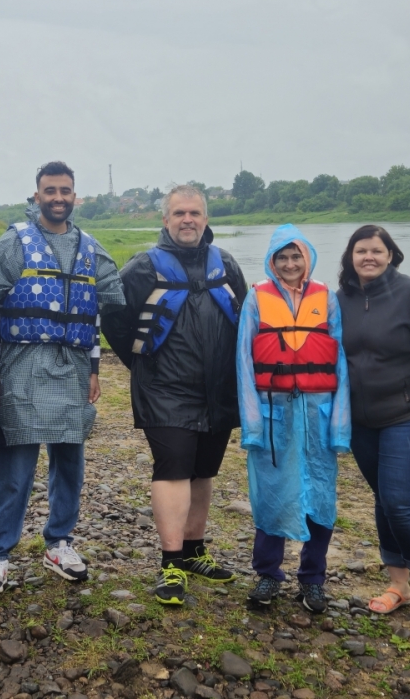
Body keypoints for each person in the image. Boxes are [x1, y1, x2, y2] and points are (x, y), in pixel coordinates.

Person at [0, 161, 125, 592]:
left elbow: (92, 312)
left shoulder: (91, 249)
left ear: (75, 197)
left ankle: (59, 541)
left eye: (65, 191)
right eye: (50, 190)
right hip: (22, 362)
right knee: (17, 461)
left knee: (70, 461)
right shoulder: (12, 244)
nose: (58, 197)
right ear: (37, 195)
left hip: (73, 367)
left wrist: (95, 368)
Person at [104, 184, 247, 606]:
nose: (188, 220)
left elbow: (247, 315)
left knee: (204, 472)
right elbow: (114, 319)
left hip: (218, 390)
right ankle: (170, 562)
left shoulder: (227, 264)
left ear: (205, 219)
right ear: (166, 220)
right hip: (164, 389)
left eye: (195, 213)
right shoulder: (144, 267)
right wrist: (141, 364)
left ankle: (194, 550)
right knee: (173, 468)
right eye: (180, 213)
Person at [335, 224, 410, 627]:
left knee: (401, 503)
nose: (368, 257)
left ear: (392, 255)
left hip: (408, 418)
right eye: (361, 251)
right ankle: (398, 585)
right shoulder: (341, 301)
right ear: (350, 257)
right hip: (361, 423)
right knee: (384, 501)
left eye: (377, 251)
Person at [235, 225, 351, 613]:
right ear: (272, 261)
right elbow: (244, 363)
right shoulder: (256, 299)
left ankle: (313, 580)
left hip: (317, 414)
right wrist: (252, 425)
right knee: (271, 494)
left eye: (295, 256)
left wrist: (339, 425)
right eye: (282, 257)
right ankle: (268, 575)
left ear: (308, 258)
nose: (289, 264)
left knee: (320, 496)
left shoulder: (327, 299)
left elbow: (341, 365)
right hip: (273, 415)